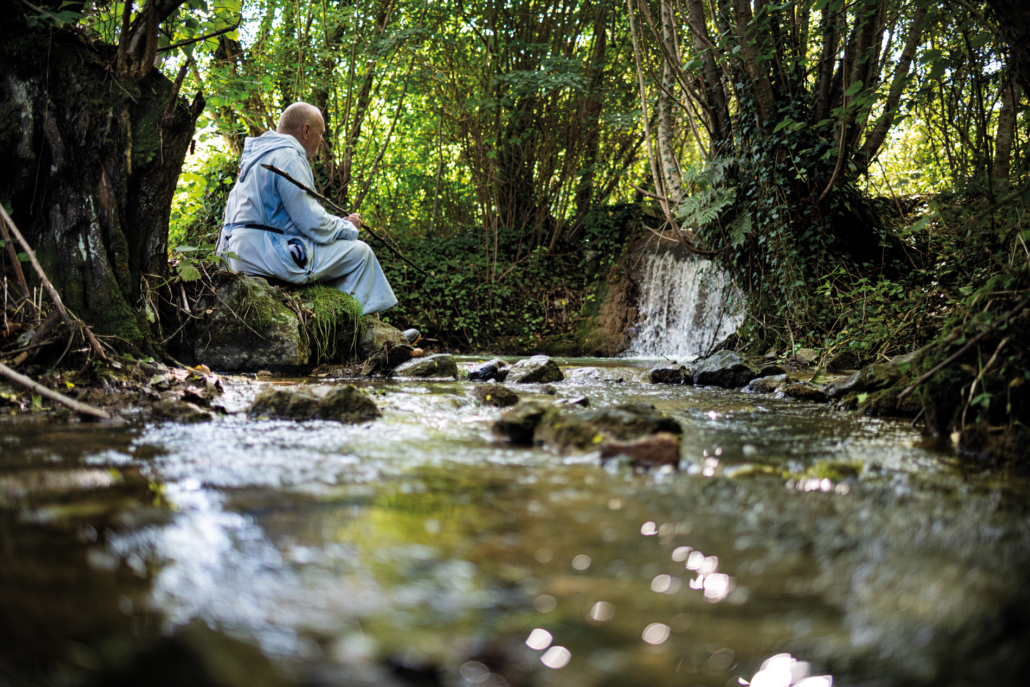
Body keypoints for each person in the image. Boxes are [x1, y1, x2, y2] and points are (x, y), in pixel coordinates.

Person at [217, 102, 398, 315]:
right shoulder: (288, 155)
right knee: (360, 253)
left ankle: (352, 325)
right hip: (263, 254)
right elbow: (313, 223)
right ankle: (366, 335)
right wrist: (347, 227)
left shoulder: (258, 155)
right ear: (305, 130)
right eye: (320, 133)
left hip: (233, 253)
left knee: (332, 254)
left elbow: (287, 220)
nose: (322, 139)